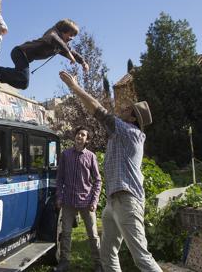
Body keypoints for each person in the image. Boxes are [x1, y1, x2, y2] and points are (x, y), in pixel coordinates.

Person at [58, 71, 162, 272]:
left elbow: (98, 110)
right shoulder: (119, 135)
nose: (121, 109)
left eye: (127, 109)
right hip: (113, 202)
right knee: (107, 254)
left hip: (127, 201)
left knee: (141, 257)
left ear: (132, 118)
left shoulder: (130, 132)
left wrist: (75, 87)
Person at [0, 19, 89, 90]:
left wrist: (83, 62)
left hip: (23, 57)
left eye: (73, 36)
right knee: (23, 76)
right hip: (20, 52)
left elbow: (72, 52)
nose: (71, 38)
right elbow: (56, 40)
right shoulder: (52, 34)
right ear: (63, 31)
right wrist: (68, 54)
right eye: (70, 35)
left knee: (24, 84)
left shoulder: (61, 46)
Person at [55, 126, 102, 272]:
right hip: (68, 201)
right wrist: (59, 196)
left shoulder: (91, 157)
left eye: (83, 135)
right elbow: (60, 178)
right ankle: (64, 262)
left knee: (93, 235)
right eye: (78, 134)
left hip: (86, 202)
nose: (79, 136)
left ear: (86, 139)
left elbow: (98, 180)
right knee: (66, 233)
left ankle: (98, 264)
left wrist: (94, 201)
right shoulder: (65, 155)